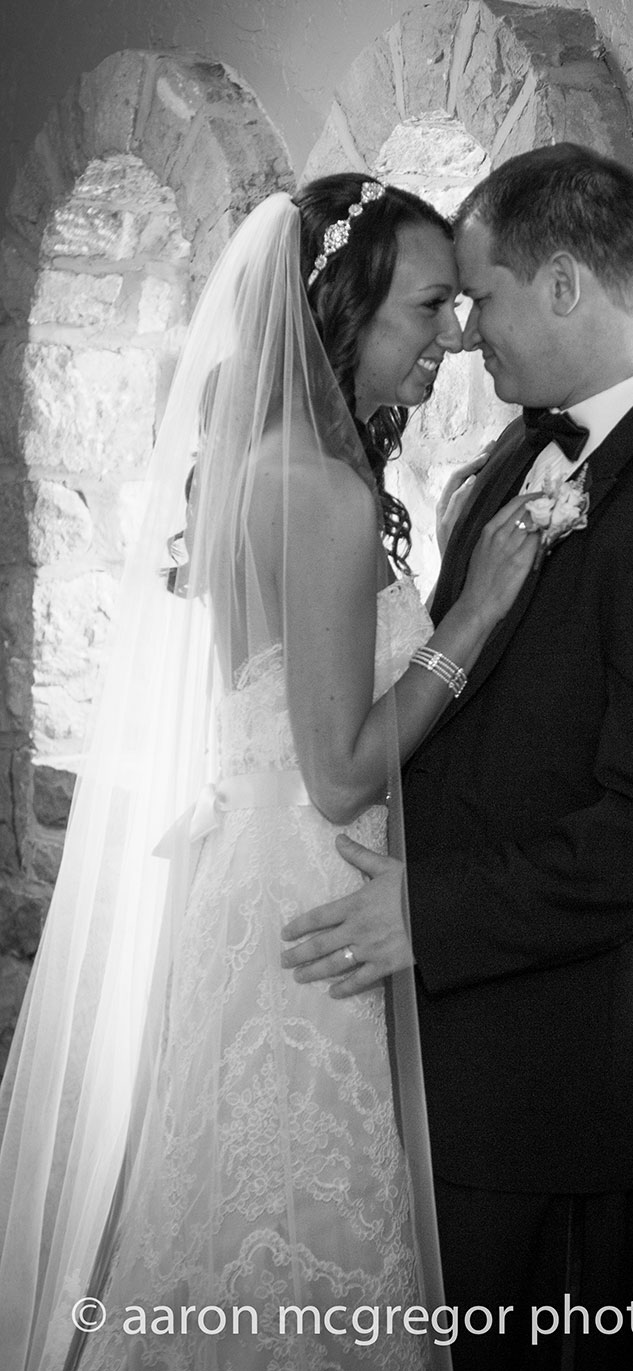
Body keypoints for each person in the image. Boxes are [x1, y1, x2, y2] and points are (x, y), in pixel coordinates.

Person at [0, 174, 541, 1371]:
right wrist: (477, 614)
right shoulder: (325, 490)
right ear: (341, 309)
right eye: (428, 307)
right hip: (315, 906)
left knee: (231, 1225)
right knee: (298, 1236)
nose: (452, 339)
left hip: (258, 885)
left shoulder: (260, 458)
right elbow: (340, 771)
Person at [282, 143, 633, 1370]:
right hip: (468, 1048)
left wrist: (430, 913)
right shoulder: (533, 444)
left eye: (480, 296)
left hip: (555, 1079)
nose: (464, 334)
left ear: (562, 286)